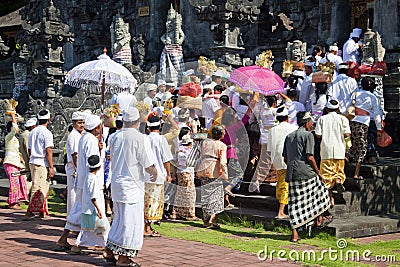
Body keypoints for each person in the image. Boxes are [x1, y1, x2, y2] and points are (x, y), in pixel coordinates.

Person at [105, 107, 157, 266]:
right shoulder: (138, 138)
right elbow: (146, 161)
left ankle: (109, 250)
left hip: (117, 183)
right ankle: (123, 258)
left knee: (119, 219)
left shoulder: (114, 137)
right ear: (138, 121)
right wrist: (154, 171)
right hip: (132, 186)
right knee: (130, 222)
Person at [283, 111, 331, 242]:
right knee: (321, 192)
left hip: (292, 173)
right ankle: (319, 219)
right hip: (306, 172)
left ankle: (295, 234)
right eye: (311, 122)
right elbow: (310, 156)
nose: (312, 124)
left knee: (294, 203)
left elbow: (285, 157)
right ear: (307, 123)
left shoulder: (289, 136)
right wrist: (318, 172)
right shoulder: (308, 135)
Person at [66, 114, 102, 253]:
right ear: (97, 127)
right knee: (92, 213)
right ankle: (89, 243)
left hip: (83, 180)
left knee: (77, 211)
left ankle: (65, 237)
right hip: (89, 181)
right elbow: (93, 161)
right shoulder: (90, 139)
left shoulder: (84, 138)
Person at [56, 111, 85, 249]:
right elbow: (75, 155)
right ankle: (73, 225)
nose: (82, 125)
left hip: (77, 169)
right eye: (79, 122)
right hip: (74, 169)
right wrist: (78, 170)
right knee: (74, 198)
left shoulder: (81, 135)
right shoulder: (74, 136)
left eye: (83, 122)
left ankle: (74, 226)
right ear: (73, 124)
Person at [315, 99, 350, 206]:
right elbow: (347, 134)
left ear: (327, 108)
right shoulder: (343, 119)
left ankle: (330, 199)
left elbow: (318, 135)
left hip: (326, 151)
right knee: (339, 171)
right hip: (340, 150)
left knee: (326, 176)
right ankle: (338, 180)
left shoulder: (322, 119)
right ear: (338, 108)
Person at [143, 114, 173, 237]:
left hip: (145, 174)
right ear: (160, 126)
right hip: (158, 174)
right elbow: (166, 159)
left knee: (145, 200)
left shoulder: (144, 138)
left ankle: (145, 225)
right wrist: (169, 174)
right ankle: (147, 227)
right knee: (153, 201)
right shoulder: (161, 140)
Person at [221, 99, 255, 206]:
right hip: (230, 154)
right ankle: (228, 188)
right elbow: (243, 121)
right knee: (239, 173)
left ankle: (226, 201)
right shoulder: (231, 128)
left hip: (223, 155)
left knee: (229, 176)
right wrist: (250, 109)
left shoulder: (221, 128)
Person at [348, 77, 382, 180]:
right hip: (363, 123)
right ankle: (356, 174)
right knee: (361, 148)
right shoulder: (373, 97)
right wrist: (379, 128)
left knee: (352, 145)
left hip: (352, 121)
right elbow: (377, 115)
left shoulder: (355, 94)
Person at [267, 107, 297, 219]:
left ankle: (281, 207)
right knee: (285, 184)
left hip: (276, 159)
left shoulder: (272, 130)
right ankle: (281, 211)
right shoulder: (293, 128)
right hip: (288, 158)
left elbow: (269, 148)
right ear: (287, 118)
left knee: (280, 182)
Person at [196, 125, 228, 229]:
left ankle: (206, 220)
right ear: (221, 135)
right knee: (216, 196)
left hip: (204, 167)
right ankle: (212, 219)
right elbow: (223, 162)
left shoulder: (205, 142)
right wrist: (225, 173)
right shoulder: (222, 145)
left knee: (206, 195)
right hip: (215, 170)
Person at [76, 154, 110, 251]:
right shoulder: (93, 179)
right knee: (104, 228)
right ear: (99, 167)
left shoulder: (88, 176)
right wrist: (99, 209)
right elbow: (93, 197)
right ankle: (107, 248)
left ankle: (99, 245)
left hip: (87, 208)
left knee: (89, 230)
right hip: (93, 209)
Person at [25, 109, 54, 219]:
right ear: (48, 120)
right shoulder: (47, 133)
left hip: (33, 160)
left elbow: (29, 150)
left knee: (43, 186)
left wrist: (31, 159)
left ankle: (42, 211)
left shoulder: (32, 132)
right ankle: (29, 211)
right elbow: (49, 151)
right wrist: (51, 167)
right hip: (41, 162)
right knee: (37, 187)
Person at [171, 134, 198, 220]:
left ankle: (176, 213)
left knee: (180, 193)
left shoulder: (179, 151)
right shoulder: (190, 152)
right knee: (190, 194)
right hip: (188, 173)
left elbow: (174, 162)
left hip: (180, 172)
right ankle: (191, 213)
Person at [4, 112, 28, 210]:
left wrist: (21, 158)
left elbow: (17, 150)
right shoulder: (8, 137)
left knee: (20, 181)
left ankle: (17, 199)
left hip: (16, 162)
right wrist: (13, 117)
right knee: (14, 182)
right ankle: (12, 202)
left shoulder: (15, 139)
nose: (18, 129)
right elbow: (14, 129)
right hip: (10, 162)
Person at [18, 117, 37, 196]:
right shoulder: (27, 135)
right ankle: (24, 196)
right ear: (32, 127)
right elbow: (28, 149)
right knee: (27, 179)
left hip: (25, 160)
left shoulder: (24, 134)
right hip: (26, 161)